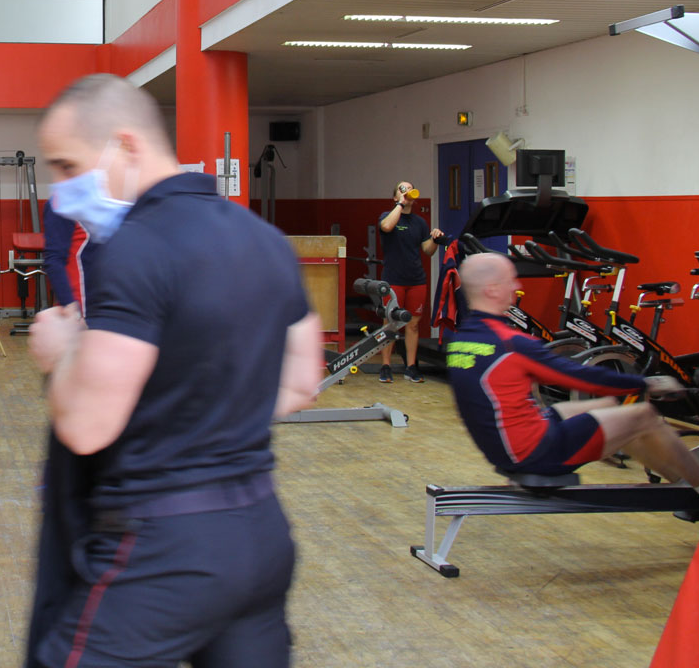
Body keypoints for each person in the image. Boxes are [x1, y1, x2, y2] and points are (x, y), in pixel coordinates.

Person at [26, 73, 323, 668]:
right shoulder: (264, 239)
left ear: (125, 146)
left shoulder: (135, 248)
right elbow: (300, 381)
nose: (59, 195)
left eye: (66, 167)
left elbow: (86, 427)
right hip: (260, 537)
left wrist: (61, 353)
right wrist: (200, 411)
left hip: (164, 550)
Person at [447, 253, 699, 499]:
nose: (517, 286)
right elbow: (580, 377)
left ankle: (683, 484)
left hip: (502, 448)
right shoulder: (511, 344)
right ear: (492, 289)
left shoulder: (461, 341)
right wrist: (646, 383)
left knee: (607, 406)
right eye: (511, 281)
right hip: (535, 453)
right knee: (643, 415)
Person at [377, 180, 446, 383]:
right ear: (395, 196)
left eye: (408, 188)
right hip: (393, 279)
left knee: (413, 325)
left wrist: (435, 239)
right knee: (390, 324)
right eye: (401, 188)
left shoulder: (420, 223)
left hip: (416, 279)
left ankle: (411, 366)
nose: (406, 191)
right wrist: (400, 203)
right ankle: (386, 365)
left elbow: (427, 251)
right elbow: (387, 227)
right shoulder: (386, 217)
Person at [40, 202, 89, 310]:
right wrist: (68, 304)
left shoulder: (110, 204)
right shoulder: (62, 203)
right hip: (81, 307)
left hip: (110, 306)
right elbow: (54, 259)